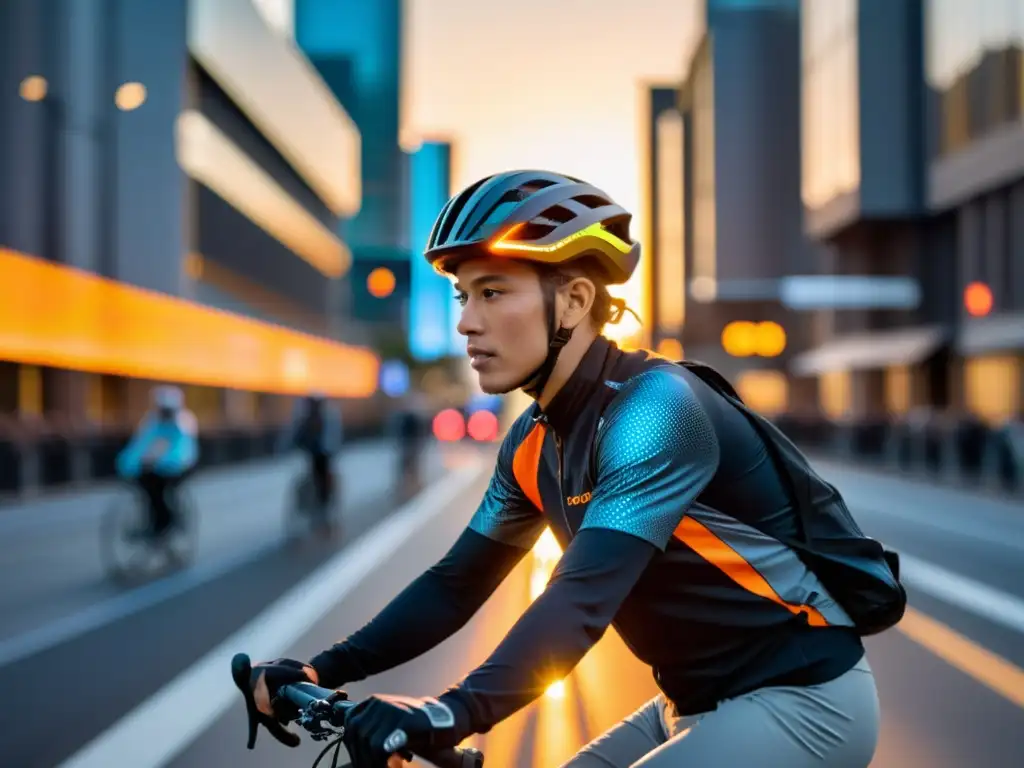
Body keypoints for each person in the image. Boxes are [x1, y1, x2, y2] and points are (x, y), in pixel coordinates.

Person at [244, 171, 894, 767]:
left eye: (493, 292)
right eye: (463, 295)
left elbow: (582, 594)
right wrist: (321, 671)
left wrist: (454, 712)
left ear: (576, 300)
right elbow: (455, 585)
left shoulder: (656, 411)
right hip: (688, 707)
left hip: (803, 702)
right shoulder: (532, 441)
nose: (467, 322)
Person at [115, 385, 198, 539]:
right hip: (154, 467)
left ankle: (167, 521)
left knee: (164, 489)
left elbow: (182, 448)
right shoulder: (152, 421)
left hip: (179, 467)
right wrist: (128, 462)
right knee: (148, 488)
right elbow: (140, 444)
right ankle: (154, 522)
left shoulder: (183, 421)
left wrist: (164, 462)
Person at [278, 391, 343, 512]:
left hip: (323, 454)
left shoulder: (328, 417)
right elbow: (293, 436)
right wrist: (285, 449)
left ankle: (325, 502)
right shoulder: (304, 418)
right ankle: (306, 505)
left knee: (323, 476)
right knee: (303, 478)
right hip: (309, 453)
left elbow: (333, 438)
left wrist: (329, 451)